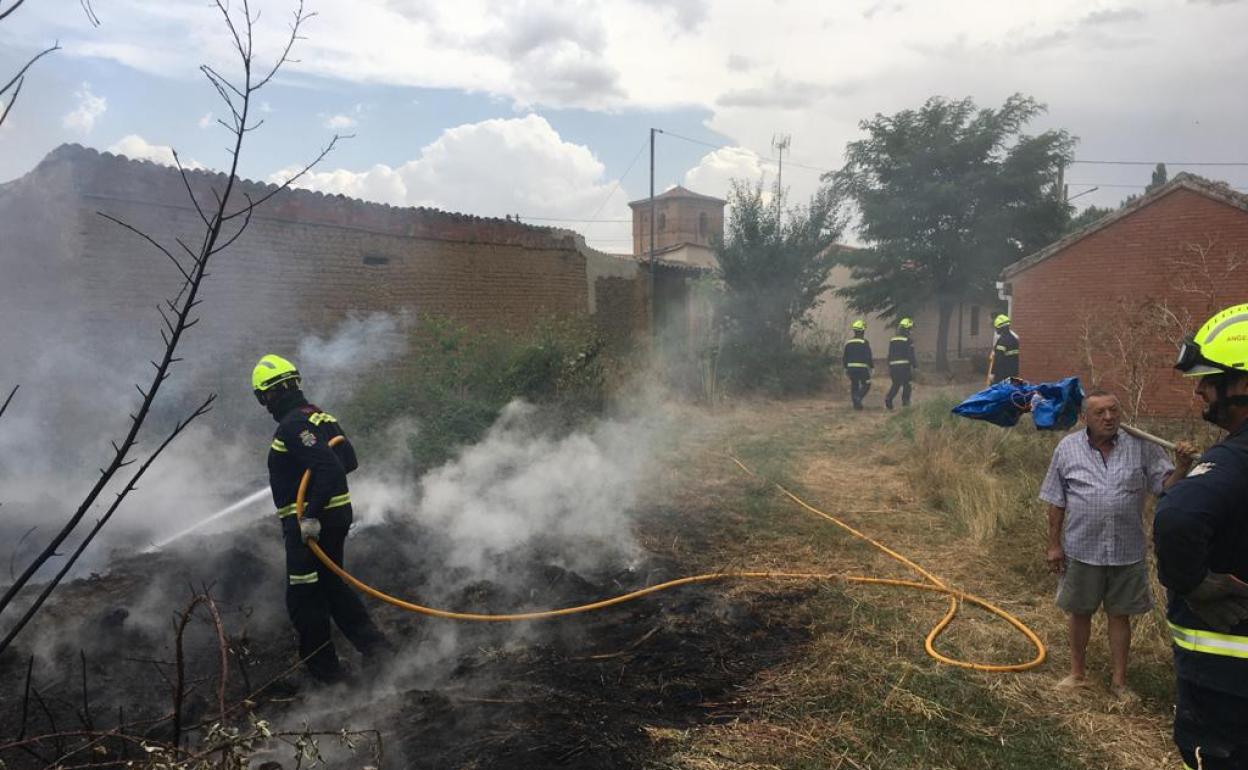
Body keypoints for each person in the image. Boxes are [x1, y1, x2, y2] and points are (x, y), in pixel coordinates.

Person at [1039, 388, 1192, 699]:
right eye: (1100, 413)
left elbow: (1164, 488)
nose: (1109, 417)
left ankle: (1119, 682)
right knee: (1079, 612)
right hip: (1082, 548)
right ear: (1085, 418)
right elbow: (1056, 501)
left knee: (1119, 615)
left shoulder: (1141, 446)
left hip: (1126, 549)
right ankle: (1076, 674)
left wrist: (1181, 467)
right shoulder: (1067, 449)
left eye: (1114, 411)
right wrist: (1054, 545)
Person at [252, 353, 393, 684]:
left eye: (263, 398)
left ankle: (327, 677)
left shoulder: (293, 426)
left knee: (303, 598)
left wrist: (310, 514)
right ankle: (380, 653)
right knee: (332, 589)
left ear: (269, 394)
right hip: (336, 518)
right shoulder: (319, 416)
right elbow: (349, 459)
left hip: (311, 527)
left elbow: (329, 466)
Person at [1154, 303, 1248, 770]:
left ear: (1244, 384)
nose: (1200, 392)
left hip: (1228, 684)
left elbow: (1177, 518)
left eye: (1210, 380)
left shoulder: (1234, 459)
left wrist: (1191, 582)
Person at [884, 317, 917, 410]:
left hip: (893, 366)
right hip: (904, 366)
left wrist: (889, 366)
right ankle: (905, 402)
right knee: (907, 384)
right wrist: (915, 366)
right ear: (907, 329)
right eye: (910, 328)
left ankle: (888, 398)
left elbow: (889, 354)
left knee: (896, 384)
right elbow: (911, 355)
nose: (911, 331)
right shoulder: (908, 340)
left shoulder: (893, 340)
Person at [843, 319, 873, 410]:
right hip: (862, 368)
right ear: (862, 331)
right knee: (867, 384)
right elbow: (868, 356)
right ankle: (858, 397)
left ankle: (856, 405)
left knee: (854, 384)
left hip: (851, 368)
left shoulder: (848, 343)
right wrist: (872, 367)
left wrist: (845, 368)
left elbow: (845, 356)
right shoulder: (864, 342)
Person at [989, 314, 1019, 384]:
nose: (996, 329)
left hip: (1002, 375)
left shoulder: (1002, 340)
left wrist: (993, 373)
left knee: (997, 392)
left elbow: (998, 359)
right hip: (1014, 374)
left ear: (1000, 328)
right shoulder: (1014, 339)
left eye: (996, 328)